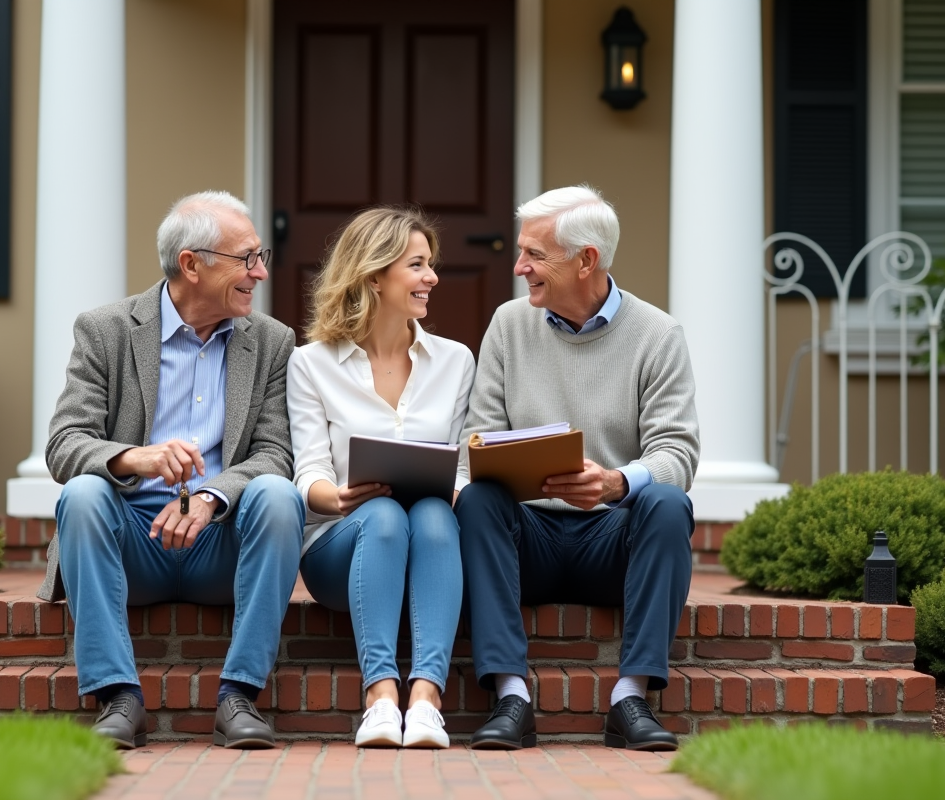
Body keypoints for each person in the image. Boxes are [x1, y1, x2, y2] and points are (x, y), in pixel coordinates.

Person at [39, 191, 305, 751]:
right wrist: (136, 458)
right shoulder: (105, 330)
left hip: (219, 545)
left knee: (280, 494)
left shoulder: (273, 342)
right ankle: (118, 697)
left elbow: (275, 453)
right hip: (131, 543)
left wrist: (209, 497)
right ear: (192, 264)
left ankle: (238, 696)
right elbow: (64, 445)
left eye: (262, 257)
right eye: (246, 259)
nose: (258, 272)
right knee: (83, 493)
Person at [455, 185, 699, 751]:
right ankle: (511, 696)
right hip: (526, 538)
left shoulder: (658, 335)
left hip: (613, 540)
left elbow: (677, 452)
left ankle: (630, 698)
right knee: (478, 499)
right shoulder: (508, 325)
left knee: (667, 502)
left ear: (585, 259)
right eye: (522, 253)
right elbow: (478, 440)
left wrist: (616, 483)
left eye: (534, 255)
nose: (520, 268)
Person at [286, 206, 475, 748]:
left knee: (436, 512)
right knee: (384, 514)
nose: (432, 277)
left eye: (430, 265)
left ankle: (426, 699)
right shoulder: (312, 363)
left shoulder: (455, 361)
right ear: (374, 276)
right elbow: (310, 472)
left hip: (430, 536)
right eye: (417, 265)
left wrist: (456, 488)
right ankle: (380, 695)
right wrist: (339, 497)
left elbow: (461, 465)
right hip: (339, 547)